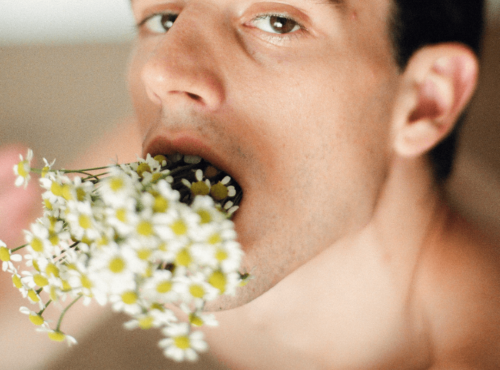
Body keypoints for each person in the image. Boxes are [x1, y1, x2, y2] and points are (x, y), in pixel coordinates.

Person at [126, 0, 500, 368]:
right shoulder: (197, 136)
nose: (162, 73)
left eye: (279, 23)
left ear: (424, 101)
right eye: (165, 18)